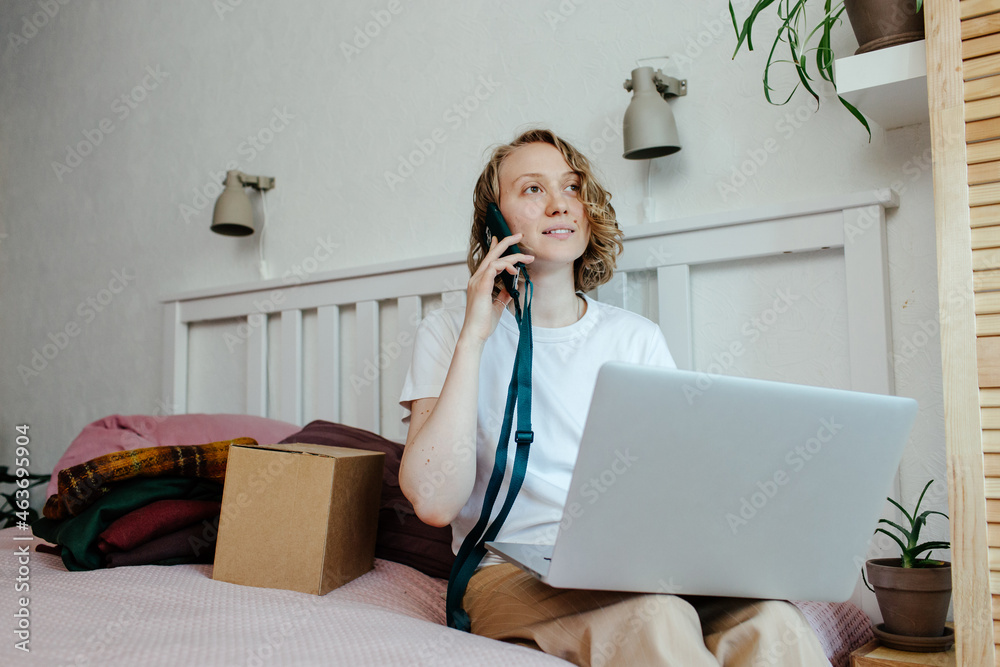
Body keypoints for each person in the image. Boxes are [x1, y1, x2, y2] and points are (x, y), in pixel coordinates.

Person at [398, 129, 829, 666]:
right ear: (494, 221)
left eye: (572, 187)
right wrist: (475, 337)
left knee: (775, 621)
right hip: (507, 572)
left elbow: (677, 484)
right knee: (658, 617)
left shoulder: (635, 339)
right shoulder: (447, 334)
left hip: (634, 567)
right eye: (532, 189)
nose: (559, 203)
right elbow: (435, 502)